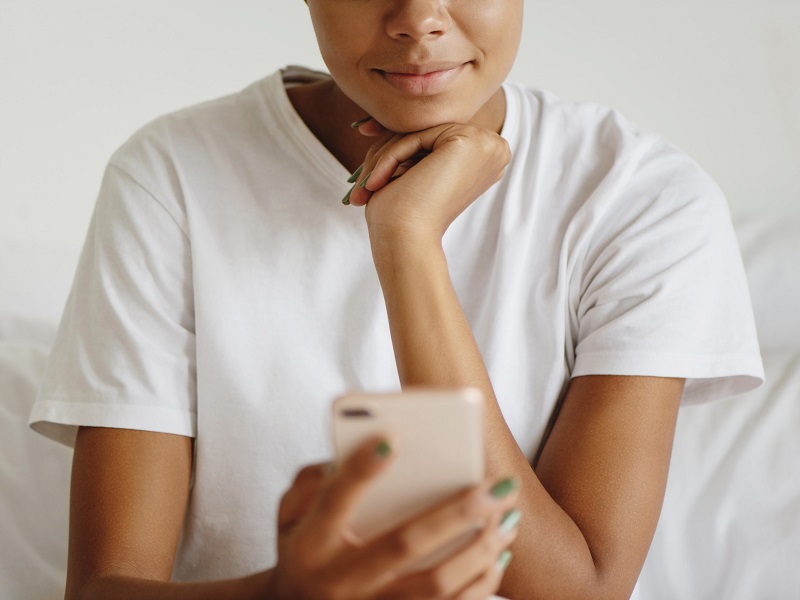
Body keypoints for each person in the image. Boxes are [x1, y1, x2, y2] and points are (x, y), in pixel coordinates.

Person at [30, 1, 764, 598]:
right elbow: (103, 586)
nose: (418, 19)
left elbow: (585, 588)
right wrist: (285, 595)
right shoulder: (172, 176)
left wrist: (409, 243)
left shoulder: (638, 195)